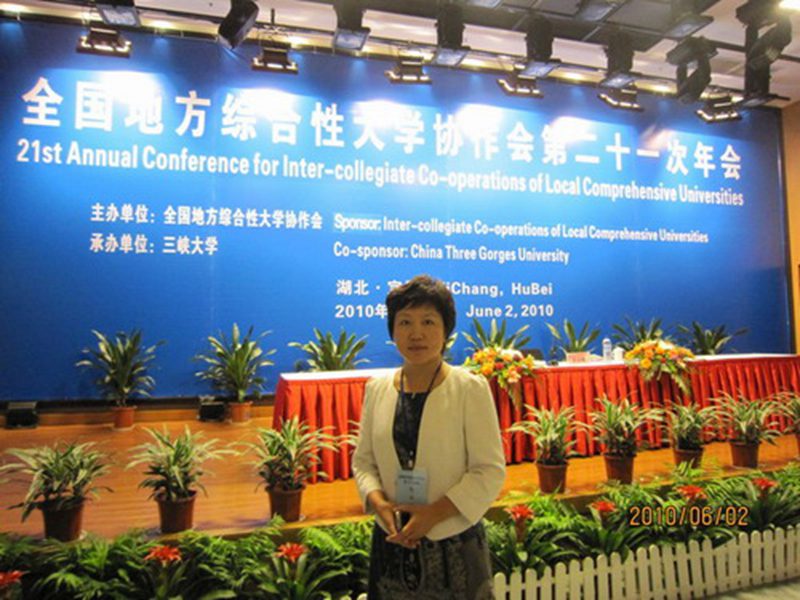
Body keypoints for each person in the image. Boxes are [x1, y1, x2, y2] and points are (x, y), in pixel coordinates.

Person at [352, 274, 506, 599]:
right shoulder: (377, 389)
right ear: (392, 330)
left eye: (428, 321)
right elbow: (363, 462)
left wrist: (433, 514)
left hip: (453, 543)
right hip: (391, 542)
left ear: (446, 330)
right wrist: (378, 503)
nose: (416, 333)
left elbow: (488, 470)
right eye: (405, 322)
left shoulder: (469, 389)